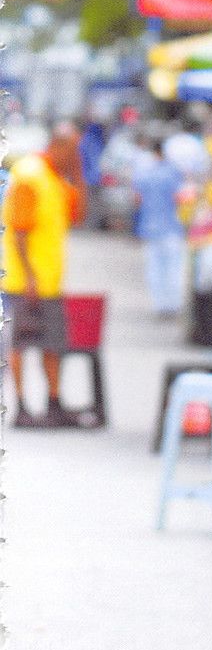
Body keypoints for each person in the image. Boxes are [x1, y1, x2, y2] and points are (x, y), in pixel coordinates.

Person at [2, 122, 85, 426]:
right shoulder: (30, 176)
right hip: (27, 283)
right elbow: (19, 232)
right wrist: (31, 277)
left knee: (53, 345)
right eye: (73, 150)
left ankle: (53, 403)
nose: (77, 155)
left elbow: (79, 215)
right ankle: (22, 407)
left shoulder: (55, 179)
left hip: (48, 281)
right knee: (21, 345)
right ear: (59, 145)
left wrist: (78, 175)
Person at [131, 135, 188, 318]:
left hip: (150, 226)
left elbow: (137, 199)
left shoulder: (144, 172)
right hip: (171, 226)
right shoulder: (174, 173)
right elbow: (182, 199)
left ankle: (160, 304)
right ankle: (173, 303)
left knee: (155, 268)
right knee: (173, 267)